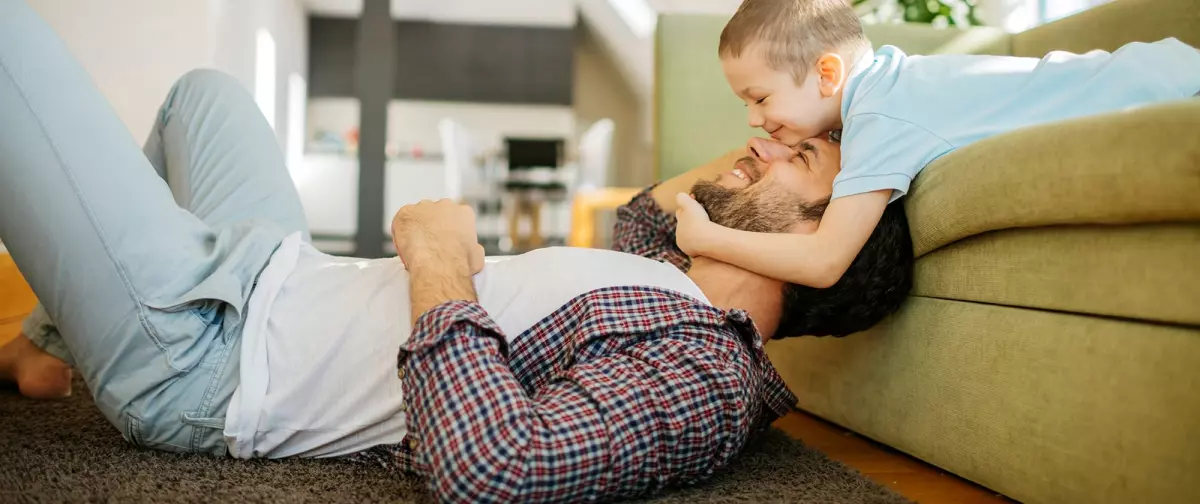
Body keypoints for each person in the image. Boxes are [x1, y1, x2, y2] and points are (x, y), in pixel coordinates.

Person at [0, 1, 913, 501]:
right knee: (206, 95)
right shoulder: (666, 259)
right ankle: (43, 348)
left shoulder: (706, 371)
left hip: (211, 357)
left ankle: (79, 332)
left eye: (799, 157)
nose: (759, 139)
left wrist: (439, 263)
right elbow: (699, 181)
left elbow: (498, 468)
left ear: (820, 237)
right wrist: (821, 116)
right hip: (275, 270)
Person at [673, 0, 1200, 291]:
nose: (753, 119)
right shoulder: (895, 84)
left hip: (1174, 93)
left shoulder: (879, 116)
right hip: (1166, 71)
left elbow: (824, 261)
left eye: (760, 97)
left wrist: (706, 239)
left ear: (828, 73)